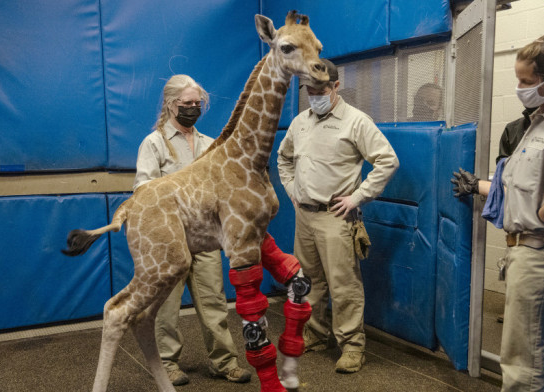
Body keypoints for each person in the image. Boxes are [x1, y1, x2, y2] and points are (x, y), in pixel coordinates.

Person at [452, 35, 544, 391]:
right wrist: (477, 186)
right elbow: (516, 188)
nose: (519, 88)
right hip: (526, 254)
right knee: (528, 356)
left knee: (526, 365)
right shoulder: (538, 123)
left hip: (542, 255)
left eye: (527, 82)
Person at [277, 59, 399, 374]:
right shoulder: (299, 122)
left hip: (336, 216)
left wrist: (358, 197)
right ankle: (316, 335)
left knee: (344, 285)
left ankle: (352, 346)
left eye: (320, 89)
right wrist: (292, 189)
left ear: (336, 86)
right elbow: (284, 158)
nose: (314, 95)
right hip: (304, 215)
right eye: (309, 90)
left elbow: (387, 160)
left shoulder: (356, 121)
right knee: (308, 282)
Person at [133, 74, 251, 386]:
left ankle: (224, 362)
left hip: (205, 238)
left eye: (197, 104)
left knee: (214, 302)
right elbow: (143, 191)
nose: (192, 109)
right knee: (167, 308)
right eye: (186, 104)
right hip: (169, 243)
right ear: (171, 105)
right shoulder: (154, 144)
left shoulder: (211, 144)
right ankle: (167, 365)